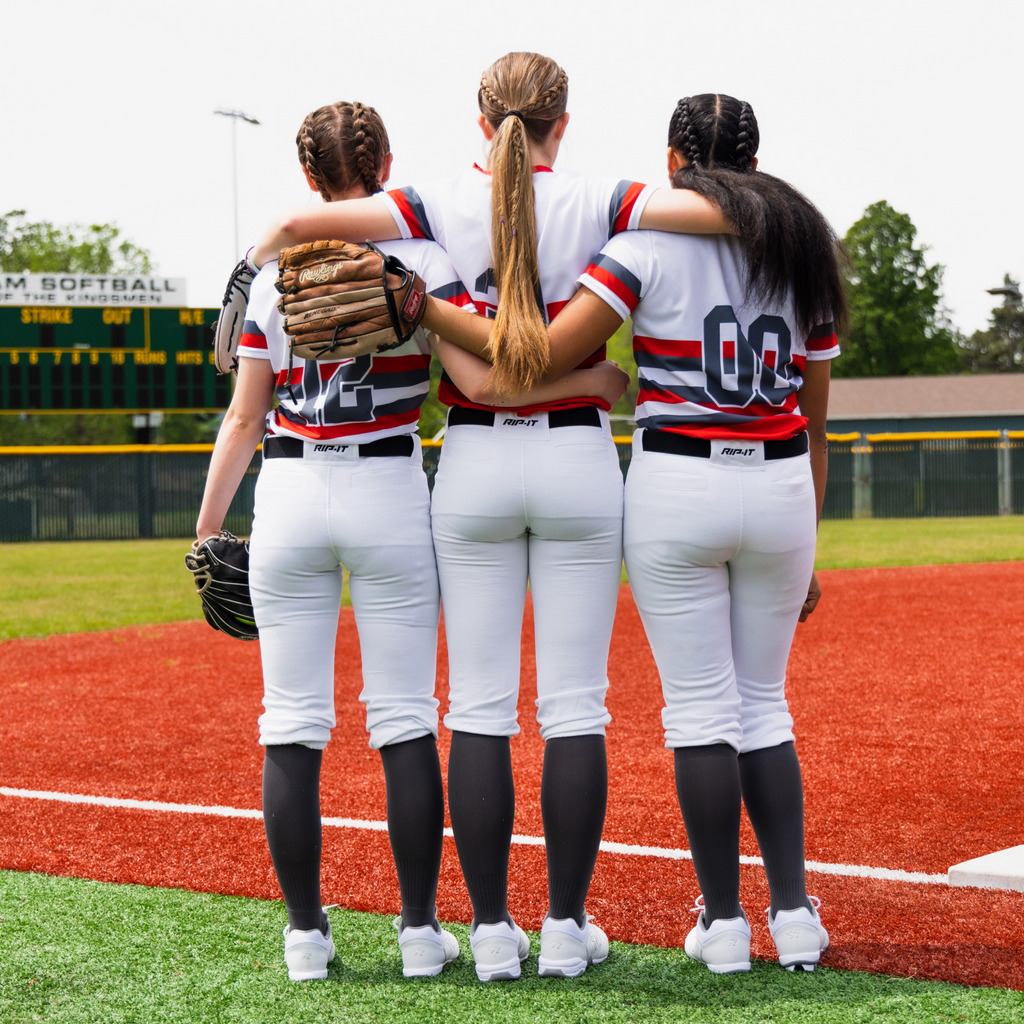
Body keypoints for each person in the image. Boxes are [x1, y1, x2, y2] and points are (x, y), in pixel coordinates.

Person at [253, 53, 733, 983]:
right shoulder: (605, 197)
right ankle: (562, 931)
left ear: (482, 121)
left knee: (475, 707)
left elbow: (292, 226)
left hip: (470, 457)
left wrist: (281, 254)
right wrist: (596, 372)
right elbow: (719, 214)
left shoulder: (429, 204)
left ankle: (487, 934)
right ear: (565, 119)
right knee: (574, 709)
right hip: (577, 457)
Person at [194, 99, 626, 983]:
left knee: (291, 725)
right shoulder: (419, 259)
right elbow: (480, 378)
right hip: (389, 484)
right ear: (385, 162)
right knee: (404, 721)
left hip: (287, 486)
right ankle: (422, 933)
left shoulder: (274, 267)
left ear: (310, 176)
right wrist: (593, 375)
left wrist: (206, 532)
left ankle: (306, 939)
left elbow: (242, 418)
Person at [436, 92, 846, 975]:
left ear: (672, 162)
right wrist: (811, 533)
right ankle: (795, 914)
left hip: (678, 480)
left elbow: (540, 352)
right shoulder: (804, 246)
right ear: (757, 154)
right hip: (778, 484)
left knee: (702, 712)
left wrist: (595, 374)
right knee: (764, 706)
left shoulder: (642, 244)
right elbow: (817, 417)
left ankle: (726, 926)